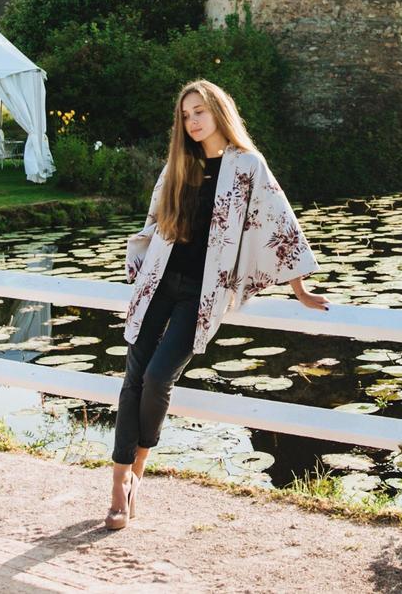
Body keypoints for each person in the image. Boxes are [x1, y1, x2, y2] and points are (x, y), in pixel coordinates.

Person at [106, 79, 329, 529]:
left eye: (199, 112)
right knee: (133, 378)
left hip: (201, 293)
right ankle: (118, 483)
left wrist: (299, 289)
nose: (192, 122)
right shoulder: (179, 166)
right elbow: (152, 222)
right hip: (160, 283)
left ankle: (139, 470)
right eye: (185, 115)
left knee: (156, 377)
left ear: (219, 112)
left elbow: (277, 221)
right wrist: (138, 270)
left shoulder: (248, 166)